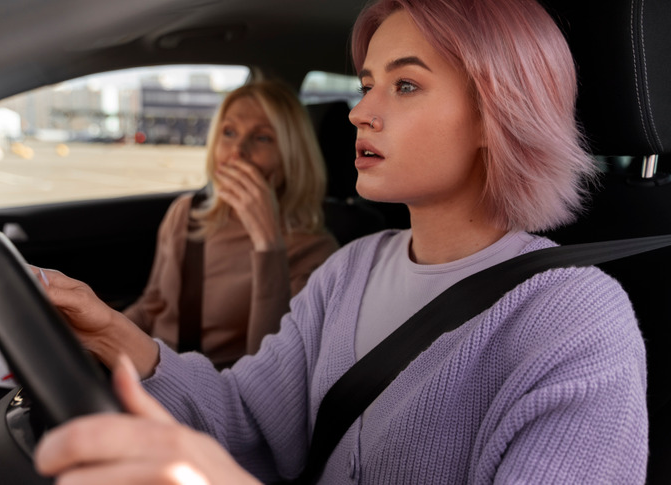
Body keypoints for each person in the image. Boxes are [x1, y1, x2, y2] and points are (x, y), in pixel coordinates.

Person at [32, 0, 648, 483]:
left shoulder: (575, 320)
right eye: (366, 84)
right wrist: (109, 333)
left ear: (498, 115)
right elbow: (247, 421)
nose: (358, 111)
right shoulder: (349, 270)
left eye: (405, 86)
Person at [123, 79, 338, 368]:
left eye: (262, 138)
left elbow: (271, 369)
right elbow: (152, 306)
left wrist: (268, 244)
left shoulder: (317, 252)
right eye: (229, 132)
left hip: (220, 389)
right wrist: (96, 339)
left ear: (292, 157)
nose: (237, 151)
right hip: (148, 374)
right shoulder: (186, 212)